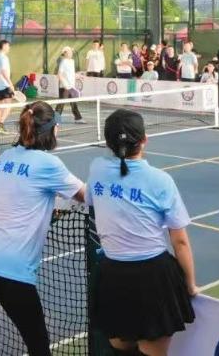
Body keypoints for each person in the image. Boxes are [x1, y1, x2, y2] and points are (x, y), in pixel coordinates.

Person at [0, 102, 85, 356]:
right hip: (10, 270)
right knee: (38, 346)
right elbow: (87, 195)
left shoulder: (7, 157)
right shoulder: (49, 165)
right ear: (51, 131)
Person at [88, 110, 196, 356]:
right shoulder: (161, 180)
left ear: (108, 143)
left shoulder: (96, 169)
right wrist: (189, 284)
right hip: (153, 279)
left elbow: (92, 200)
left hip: (112, 275)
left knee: (121, 348)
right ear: (144, 140)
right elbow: (180, 241)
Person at [0, 40, 14, 133]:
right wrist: (10, 84)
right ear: (4, 46)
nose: (9, 48)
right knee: (8, 105)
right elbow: (3, 71)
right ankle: (0, 124)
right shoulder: (4, 58)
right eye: (8, 46)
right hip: (4, 85)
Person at [57, 47, 83, 123]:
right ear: (65, 53)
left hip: (71, 86)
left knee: (73, 102)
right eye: (69, 52)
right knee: (61, 104)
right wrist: (65, 85)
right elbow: (59, 74)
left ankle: (78, 118)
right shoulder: (63, 62)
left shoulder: (72, 61)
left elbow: (71, 73)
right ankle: (55, 120)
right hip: (64, 87)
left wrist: (78, 76)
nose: (71, 53)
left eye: (71, 52)